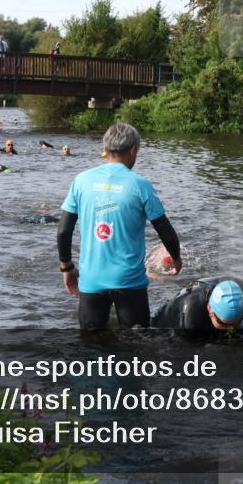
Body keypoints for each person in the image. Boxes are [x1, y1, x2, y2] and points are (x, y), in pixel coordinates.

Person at [57, 122, 182, 329]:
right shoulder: (140, 185)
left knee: (90, 347)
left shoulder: (81, 181)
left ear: (105, 150)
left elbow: (63, 232)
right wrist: (176, 258)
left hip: (91, 281)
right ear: (133, 150)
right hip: (130, 281)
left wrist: (67, 267)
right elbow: (164, 230)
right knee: (136, 345)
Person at [151, 277, 243, 336]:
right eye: (224, 324)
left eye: (237, 323)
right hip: (171, 316)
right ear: (210, 310)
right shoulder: (191, 316)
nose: (231, 329)